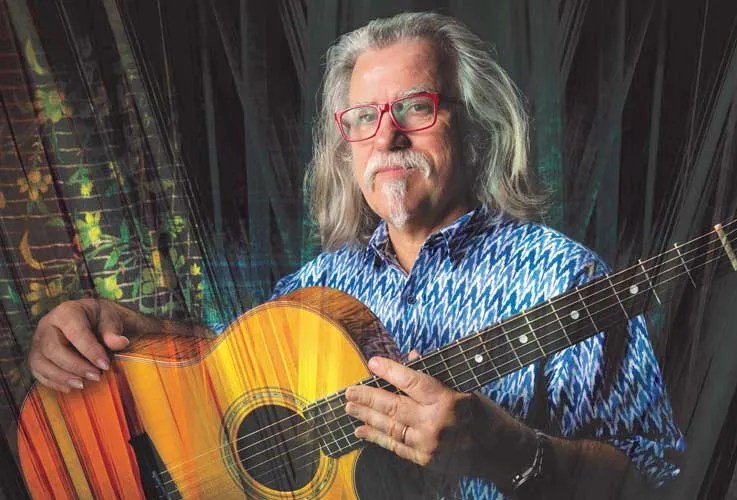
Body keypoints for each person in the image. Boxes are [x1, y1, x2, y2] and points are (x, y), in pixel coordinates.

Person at [27, 12, 683, 499]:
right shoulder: (318, 282)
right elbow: (227, 378)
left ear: (476, 127)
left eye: (416, 107)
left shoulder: (564, 278)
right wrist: (120, 328)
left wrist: (514, 453)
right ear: (345, 145)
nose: (387, 135)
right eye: (363, 118)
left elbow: (656, 479)